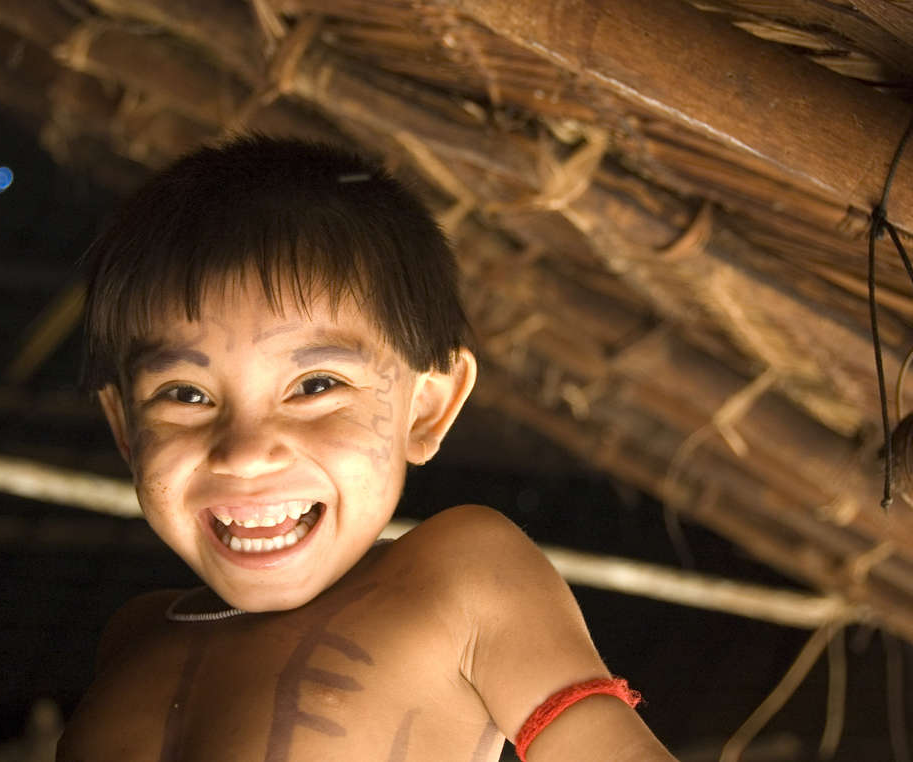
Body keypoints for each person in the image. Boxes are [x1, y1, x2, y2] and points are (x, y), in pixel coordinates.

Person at [57, 136, 676, 762]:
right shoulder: (131, 639)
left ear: (427, 408)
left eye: (316, 386)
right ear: (125, 425)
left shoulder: (460, 580)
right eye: (185, 396)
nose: (243, 454)